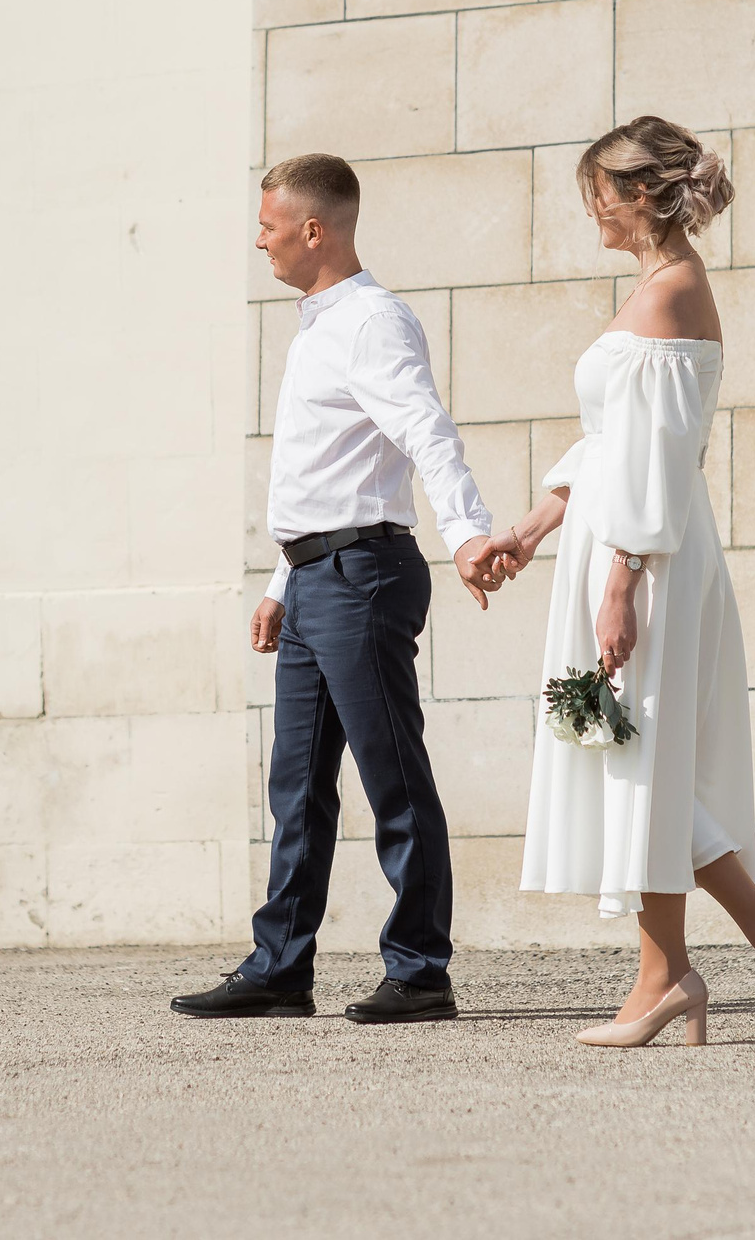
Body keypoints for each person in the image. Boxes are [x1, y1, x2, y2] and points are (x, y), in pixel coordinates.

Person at [486, 118, 755, 1046]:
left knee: (640, 756)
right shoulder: (655, 290)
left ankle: (673, 976)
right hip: (621, 548)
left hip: (646, 559)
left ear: (642, 192)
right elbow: (612, 448)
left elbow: (665, 458)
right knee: (635, 758)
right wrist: (532, 528)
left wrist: (621, 583)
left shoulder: (673, 295)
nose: (593, 210)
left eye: (599, 193)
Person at [172, 153, 510, 1025]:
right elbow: (324, 474)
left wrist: (469, 531)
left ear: (313, 229)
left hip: (364, 575)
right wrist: (281, 579)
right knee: (297, 786)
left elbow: (427, 433)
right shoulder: (316, 326)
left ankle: (421, 968)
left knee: (393, 777)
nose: (260, 238)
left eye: (269, 224)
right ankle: (281, 965)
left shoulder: (371, 322)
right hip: (317, 577)